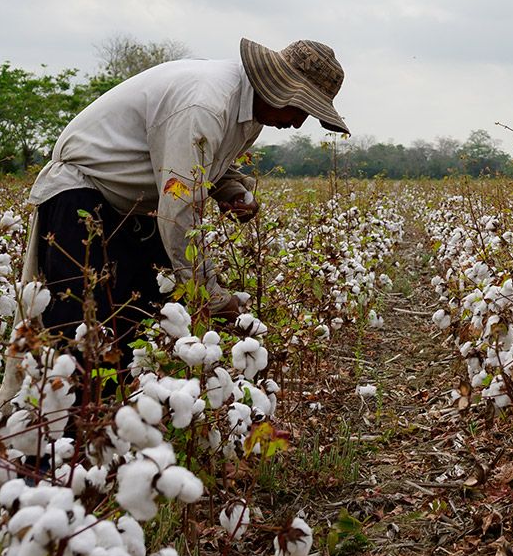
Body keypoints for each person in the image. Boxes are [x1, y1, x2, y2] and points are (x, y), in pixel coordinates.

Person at [20, 37, 347, 368]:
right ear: (280, 89)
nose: (297, 123)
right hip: (82, 192)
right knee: (83, 330)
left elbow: (206, 164)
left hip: (134, 206)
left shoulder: (249, 112)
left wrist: (231, 189)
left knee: (136, 323)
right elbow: (180, 205)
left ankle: (113, 414)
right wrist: (212, 297)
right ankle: (67, 416)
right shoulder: (207, 104)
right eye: (301, 109)